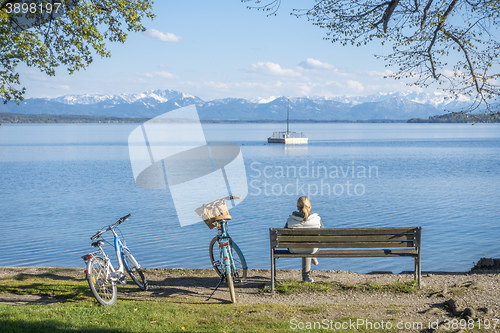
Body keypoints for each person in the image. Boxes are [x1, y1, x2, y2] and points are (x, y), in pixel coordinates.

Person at [285, 196, 323, 282]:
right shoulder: (316, 219)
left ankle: (306, 277)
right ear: (310, 207)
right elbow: (322, 235)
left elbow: (284, 235)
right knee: (309, 246)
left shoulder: (290, 220)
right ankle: (306, 275)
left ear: (297, 207)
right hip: (312, 249)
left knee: (305, 245)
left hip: (294, 249)